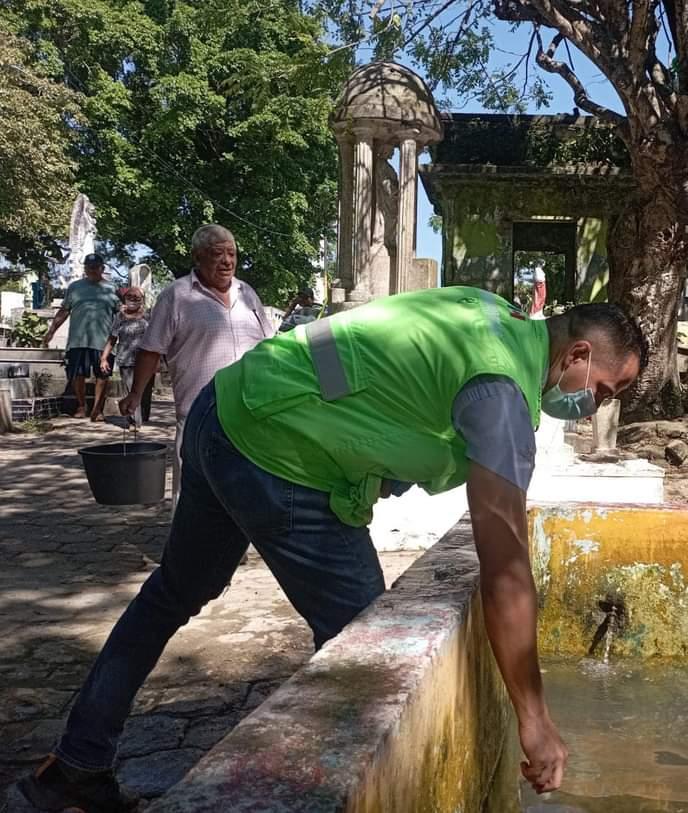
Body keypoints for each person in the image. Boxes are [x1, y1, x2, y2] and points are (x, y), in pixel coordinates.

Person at [16, 286, 647, 812]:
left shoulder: (481, 313)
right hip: (281, 456)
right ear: (579, 353)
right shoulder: (501, 389)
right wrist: (533, 718)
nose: (595, 407)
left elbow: (355, 357)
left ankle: (74, 763)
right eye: (605, 390)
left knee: (172, 593)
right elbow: (505, 566)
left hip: (229, 407)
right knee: (378, 668)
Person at [116, 224, 273, 510]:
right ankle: (187, 552)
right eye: (217, 253)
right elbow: (151, 349)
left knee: (245, 487)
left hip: (250, 410)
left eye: (232, 254)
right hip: (199, 412)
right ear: (198, 257)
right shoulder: (177, 296)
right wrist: (136, 394)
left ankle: (232, 548)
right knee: (193, 490)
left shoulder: (247, 293)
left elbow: (268, 345)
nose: (227, 261)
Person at [42, 254, 119, 420]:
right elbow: (64, 310)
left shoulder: (112, 289)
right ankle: (81, 406)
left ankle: (97, 410)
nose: (91, 270)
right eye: (88, 267)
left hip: (102, 341)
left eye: (95, 267)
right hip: (78, 339)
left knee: (102, 375)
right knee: (78, 374)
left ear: (102, 268)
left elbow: (121, 314)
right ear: (85, 268)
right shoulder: (75, 287)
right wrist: (51, 331)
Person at [100, 288, 150, 427]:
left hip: (145, 359)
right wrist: (104, 358)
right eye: (130, 296)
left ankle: (137, 416)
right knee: (131, 389)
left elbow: (155, 338)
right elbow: (112, 339)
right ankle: (136, 421)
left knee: (143, 390)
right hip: (126, 359)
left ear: (142, 299)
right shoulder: (119, 317)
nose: (133, 299)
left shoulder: (148, 316)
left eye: (136, 297)